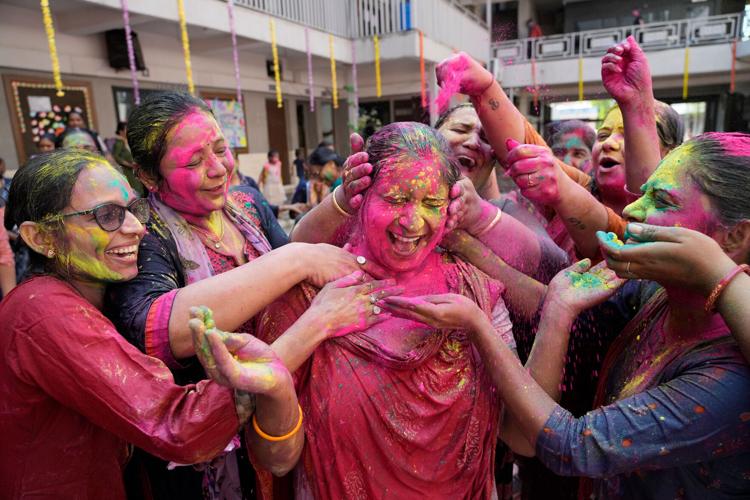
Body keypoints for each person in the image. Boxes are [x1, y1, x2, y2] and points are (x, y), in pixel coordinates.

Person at [385, 132, 750, 499]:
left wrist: (479, 326)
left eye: (661, 199)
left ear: (735, 237)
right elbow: (562, 300)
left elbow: (572, 446)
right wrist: (469, 245)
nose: (631, 210)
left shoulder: (731, 377)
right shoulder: (658, 293)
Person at [252, 122, 565, 498]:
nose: (412, 222)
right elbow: (276, 459)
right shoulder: (310, 293)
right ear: (360, 195)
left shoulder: (474, 293)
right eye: (396, 199)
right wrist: (298, 352)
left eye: (431, 203)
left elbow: (522, 437)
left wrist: (554, 312)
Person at [106, 91, 388, 498]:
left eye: (221, 149)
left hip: (282, 411)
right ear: (149, 177)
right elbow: (159, 330)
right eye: (193, 162)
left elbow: (290, 253)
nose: (219, 168)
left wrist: (341, 201)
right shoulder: (144, 234)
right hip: (211, 448)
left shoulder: (247, 205)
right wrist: (295, 262)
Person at [0, 149, 303, 498]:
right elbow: (178, 426)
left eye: (133, 209)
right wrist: (302, 336)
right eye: (106, 216)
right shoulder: (43, 314)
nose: (136, 228)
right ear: (41, 238)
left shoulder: (96, 296)